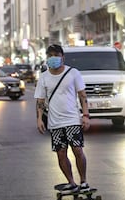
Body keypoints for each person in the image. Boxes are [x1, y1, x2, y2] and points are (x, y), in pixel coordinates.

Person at [34, 44, 91, 194]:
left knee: (78, 150)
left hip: (72, 119)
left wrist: (85, 116)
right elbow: (40, 100)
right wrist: (39, 119)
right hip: (55, 122)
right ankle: (71, 182)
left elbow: (82, 95)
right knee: (61, 153)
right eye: (50, 55)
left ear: (62, 57)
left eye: (56, 55)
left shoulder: (73, 73)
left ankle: (84, 181)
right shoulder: (44, 77)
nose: (53, 58)